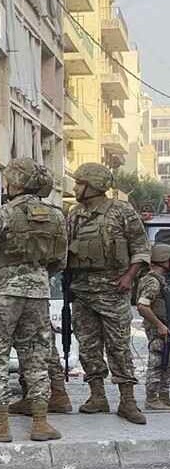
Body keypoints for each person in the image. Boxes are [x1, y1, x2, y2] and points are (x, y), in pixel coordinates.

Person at [0, 158, 66, 442]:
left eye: (9, 179)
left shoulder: (4, 214)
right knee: (36, 356)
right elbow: (60, 260)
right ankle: (40, 422)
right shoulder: (57, 215)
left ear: (17, 183)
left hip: (3, 292)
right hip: (38, 292)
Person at [67, 162, 149, 425]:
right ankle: (97, 396)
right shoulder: (74, 213)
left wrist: (128, 277)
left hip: (113, 290)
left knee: (119, 347)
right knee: (88, 346)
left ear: (93, 185)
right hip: (82, 290)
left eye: (80, 183)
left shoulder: (122, 211)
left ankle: (127, 401)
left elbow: (141, 248)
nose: (76, 187)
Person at [7, 171, 73, 416]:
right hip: (40, 287)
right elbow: (60, 258)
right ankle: (54, 393)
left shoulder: (10, 212)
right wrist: (43, 275)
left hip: (11, 288)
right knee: (42, 344)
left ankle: (46, 395)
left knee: (32, 345)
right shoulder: (56, 215)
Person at [133, 244, 170, 410]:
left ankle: (164, 396)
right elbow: (142, 306)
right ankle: (152, 398)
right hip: (158, 330)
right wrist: (160, 325)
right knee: (157, 362)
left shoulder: (159, 280)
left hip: (163, 328)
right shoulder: (153, 282)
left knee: (166, 362)